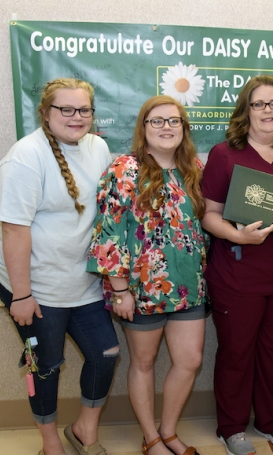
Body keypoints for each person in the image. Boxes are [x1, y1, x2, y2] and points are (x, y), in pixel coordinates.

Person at [0, 78, 119, 455]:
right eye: (66, 109)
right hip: (34, 285)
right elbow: (14, 231)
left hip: (82, 281)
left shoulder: (98, 147)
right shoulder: (25, 156)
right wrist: (22, 294)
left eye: (84, 110)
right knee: (45, 364)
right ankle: (50, 443)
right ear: (45, 113)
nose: (76, 117)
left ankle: (84, 431)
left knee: (106, 354)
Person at [87, 95, 207, 455]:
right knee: (143, 362)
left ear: (184, 129)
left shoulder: (194, 170)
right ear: (143, 128)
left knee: (190, 361)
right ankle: (150, 437)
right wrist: (120, 290)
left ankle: (168, 432)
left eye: (174, 121)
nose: (166, 127)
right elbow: (108, 230)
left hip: (188, 287)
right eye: (157, 121)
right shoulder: (124, 169)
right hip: (141, 289)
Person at [201, 75, 273, 455]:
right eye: (259, 104)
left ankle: (269, 418)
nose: (268, 111)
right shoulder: (224, 155)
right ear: (245, 112)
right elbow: (209, 215)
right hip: (237, 273)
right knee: (236, 351)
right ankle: (230, 425)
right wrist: (238, 237)